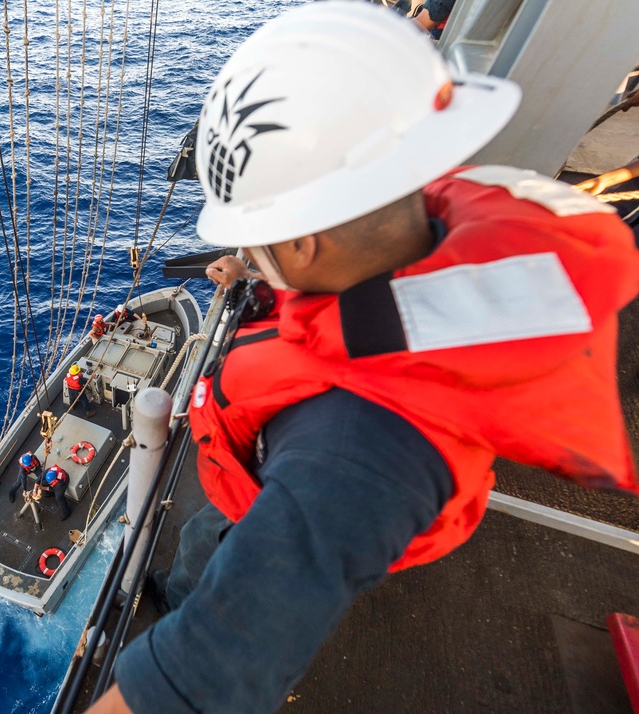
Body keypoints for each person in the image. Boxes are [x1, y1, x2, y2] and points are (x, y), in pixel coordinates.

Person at [87, 4, 639, 713]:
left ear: (303, 244)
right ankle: (184, 583)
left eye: (260, 239)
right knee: (203, 544)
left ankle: (185, 593)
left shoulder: (352, 456)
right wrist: (255, 262)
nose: (248, 256)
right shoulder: (408, 227)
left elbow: (207, 673)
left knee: (219, 568)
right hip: (249, 473)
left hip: (273, 495)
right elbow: (342, 250)